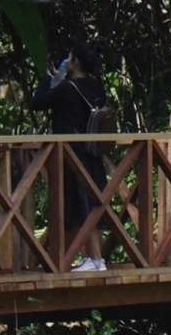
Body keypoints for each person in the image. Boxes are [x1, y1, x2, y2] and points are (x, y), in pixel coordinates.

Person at [30, 41, 112, 272]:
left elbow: (38, 102)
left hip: (73, 154)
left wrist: (51, 78)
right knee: (88, 203)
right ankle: (90, 259)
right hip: (92, 151)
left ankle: (94, 259)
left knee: (80, 204)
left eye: (69, 57)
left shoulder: (67, 89)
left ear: (74, 61)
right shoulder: (97, 87)